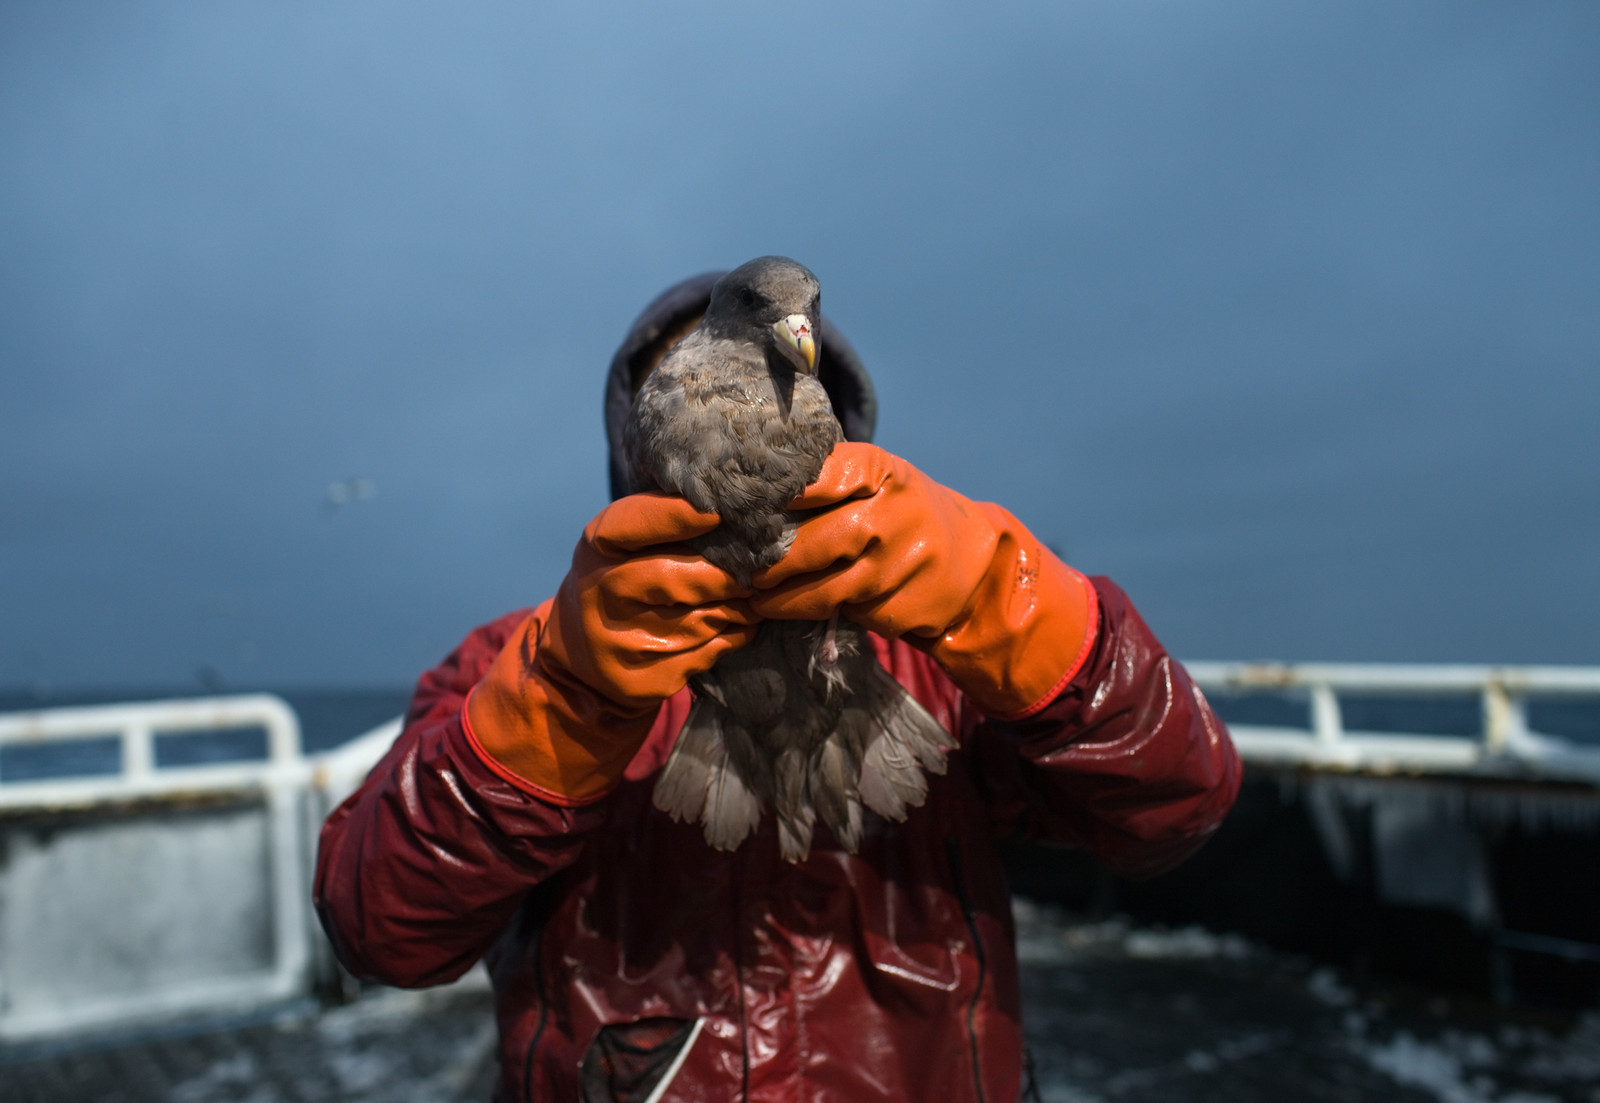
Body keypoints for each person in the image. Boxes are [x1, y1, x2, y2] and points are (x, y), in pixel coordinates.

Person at [314, 270, 1242, 1103]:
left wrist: (1014, 601)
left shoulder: (938, 656)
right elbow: (379, 929)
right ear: (634, 446)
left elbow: (1178, 805)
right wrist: (563, 698)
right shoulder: (518, 657)